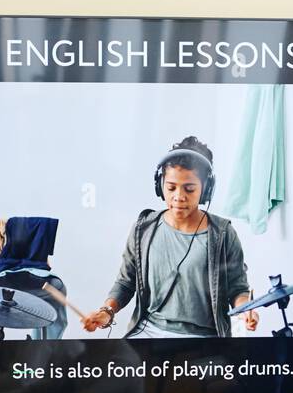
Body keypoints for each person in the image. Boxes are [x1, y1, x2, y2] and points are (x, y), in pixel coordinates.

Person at [82, 135, 259, 340]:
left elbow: (238, 288)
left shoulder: (223, 234)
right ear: (160, 185)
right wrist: (107, 312)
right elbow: (125, 282)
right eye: (171, 187)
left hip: (203, 340)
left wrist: (247, 310)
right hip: (147, 332)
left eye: (189, 189)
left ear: (206, 189)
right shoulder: (144, 228)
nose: (178, 196)